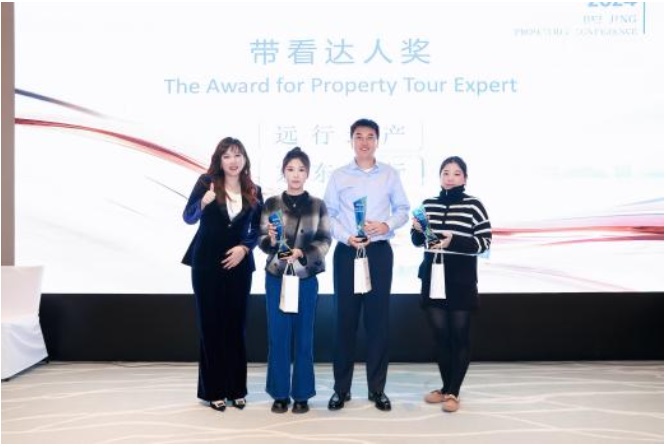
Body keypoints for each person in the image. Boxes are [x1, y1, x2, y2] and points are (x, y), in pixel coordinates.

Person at [323, 118, 410, 412]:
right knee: (344, 323)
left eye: (370, 136)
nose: (364, 142)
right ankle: (341, 390)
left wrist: (386, 225)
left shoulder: (389, 174)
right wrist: (346, 236)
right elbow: (329, 214)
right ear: (351, 141)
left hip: (378, 253)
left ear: (377, 141)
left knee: (378, 323)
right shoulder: (338, 176)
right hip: (348, 253)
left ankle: (377, 389)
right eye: (358, 136)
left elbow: (403, 210)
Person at [182, 136, 263, 412]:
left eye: (238, 155)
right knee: (211, 327)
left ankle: (236, 389)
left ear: (245, 160)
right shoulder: (206, 182)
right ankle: (214, 390)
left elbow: (258, 229)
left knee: (235, 327)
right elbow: (188, 217)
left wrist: (244, 248)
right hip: (206, 264)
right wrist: (202, 204)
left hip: (239, 265)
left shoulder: (253, 189)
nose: (233, 161)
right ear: (219, 160)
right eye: (227, 156)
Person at [410, 156, 492, 413]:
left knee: (459, 335)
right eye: (446, 172)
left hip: (460, 279)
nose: (450, 178)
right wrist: (417, 230)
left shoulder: (474, 205)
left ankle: (453, 391)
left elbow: (484, 243)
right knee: (440, 335)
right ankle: (446, 388)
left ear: (465, 178)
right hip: (432, 275)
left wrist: (453, 240)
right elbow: (417, 241)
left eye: (457, 173)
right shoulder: (427, 205)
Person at [258, 147, 332, 414]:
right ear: (284, 172)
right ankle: (279, 394)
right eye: (291, 169)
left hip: (305, 278)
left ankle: (302, 394)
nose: (296, 174)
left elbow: (325, 240)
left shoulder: (318, 205)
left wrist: (303, 253)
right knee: (278, 337)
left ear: (308, 173)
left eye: (301, 169)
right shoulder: (271, 204)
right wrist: (271, 240)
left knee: (303, 338)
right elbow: (261, 240)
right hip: (277, 277)